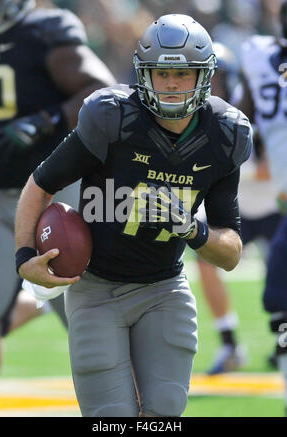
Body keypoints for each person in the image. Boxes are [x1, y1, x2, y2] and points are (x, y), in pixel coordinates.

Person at [15, 14, 252, 417]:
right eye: (162, 73)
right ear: (145, 74)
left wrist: (191, 228)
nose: (173, 83)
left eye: (184, 73)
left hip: (164, 288)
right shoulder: (113, 117)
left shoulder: (224, 134)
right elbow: (40, 184)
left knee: (163, 415)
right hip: (96, 289)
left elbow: (230, 253)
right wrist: (24, 259)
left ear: (204, 76)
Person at [0, 0, 115, 397]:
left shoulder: (44, 30)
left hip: (52, 197)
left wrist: (48, 119)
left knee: (90, 319)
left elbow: (101, 91)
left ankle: (130, 415)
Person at [195, 42, 282, 374]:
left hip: (273, 203)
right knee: (203, 255)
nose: (209, 83)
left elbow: (271, 166)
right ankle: (229, 341)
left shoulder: (253, 102)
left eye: (214, 76)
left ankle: (282, 341)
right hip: (235, 206)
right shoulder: (195, 114)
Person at [238, 0, 287, 414]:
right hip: (281, 197)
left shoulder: (260, 56)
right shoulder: (262, 58)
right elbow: (244, 120)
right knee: (279, 297)